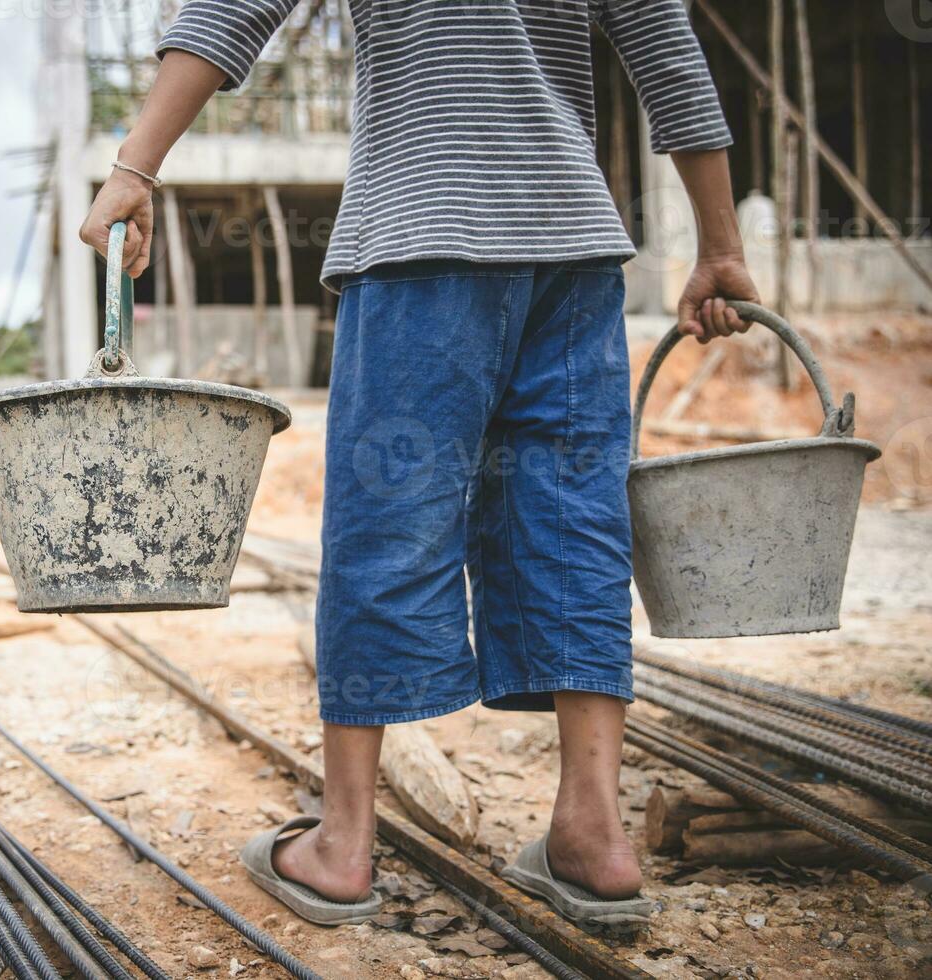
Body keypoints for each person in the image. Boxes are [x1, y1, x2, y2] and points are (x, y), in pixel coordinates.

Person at [80, 0, 760, 932]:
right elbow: (667, 55)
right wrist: (720, 246)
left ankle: (342, 847)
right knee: (574, 524)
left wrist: (134, 167)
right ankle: (593, 834)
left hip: (420, 235)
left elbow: (232, 11)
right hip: (571, 249)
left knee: (387, 523)